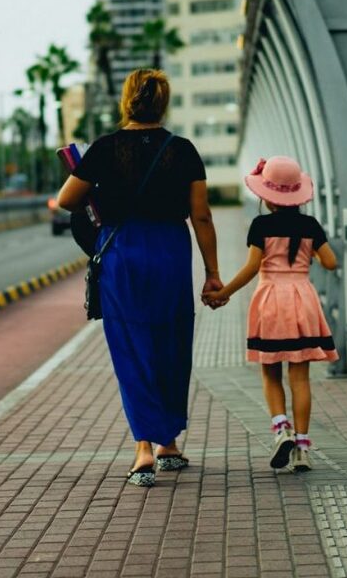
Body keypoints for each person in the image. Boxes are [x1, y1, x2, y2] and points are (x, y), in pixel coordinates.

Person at [57, 69, 222, 487]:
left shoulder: (105, 148)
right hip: (169, 251)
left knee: (132, 346)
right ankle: (168, 443)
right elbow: (200, 215)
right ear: (162, 103)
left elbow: (66, 200)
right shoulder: (182, 150)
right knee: (171, 341)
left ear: (126, 102)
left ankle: (144, 449)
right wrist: (213, 274)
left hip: (122, 253)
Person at [203, 155, 337, 472]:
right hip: (302, 298)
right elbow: (330, 262)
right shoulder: (310, 226)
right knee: (300, 377)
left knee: (270, 370)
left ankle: (281, 429)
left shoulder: (261, 225)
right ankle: (303, 449)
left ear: (268, 196)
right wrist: (308, 257)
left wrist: (223, 293)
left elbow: (252, 267)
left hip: (271, 301)